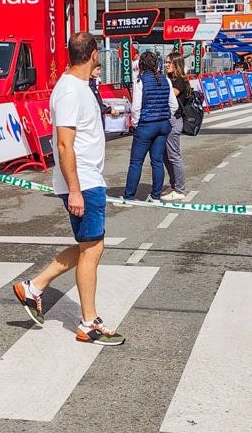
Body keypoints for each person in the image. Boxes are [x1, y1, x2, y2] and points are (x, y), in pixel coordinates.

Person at [11, 31, 125, 346]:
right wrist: (74, 189)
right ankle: (88, 323)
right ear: (94, 54)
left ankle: (34, 287)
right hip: (82, 182)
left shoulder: (79, 86)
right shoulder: (70, 91)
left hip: (87, 179)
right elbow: (63, 144)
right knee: (92, 248)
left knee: (90, 246)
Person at [124, 50, 174, 202]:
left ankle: (129, 196)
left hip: (146, 125)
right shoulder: (166, 80)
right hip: (163, 125)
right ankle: (155, 195)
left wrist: (136, 123)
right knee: (157, 161)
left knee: (136, 162)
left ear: (140, 65)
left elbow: (136, 107)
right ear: (156, 65)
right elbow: (174, 105)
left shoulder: (140, 81)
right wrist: (165, 115)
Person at [162, 53, 191, 202]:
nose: (166, 65)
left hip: (175, 120)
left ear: (176, 64)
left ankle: (180, 189)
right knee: (165, 155)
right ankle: (174, 185)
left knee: (174, 155)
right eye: (166, 62)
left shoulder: (180, 81)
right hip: (168, 119)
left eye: (169, 62)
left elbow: (169, 96)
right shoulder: (170, 79)